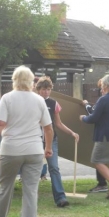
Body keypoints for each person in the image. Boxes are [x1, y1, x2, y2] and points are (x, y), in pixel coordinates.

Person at [0, 65, 53, 217]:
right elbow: (48, 127)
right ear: (32, 81)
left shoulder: (7, 98)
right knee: (31, 191)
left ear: (14, 80)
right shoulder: (39, 100)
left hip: (11, 150)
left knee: (5, 188)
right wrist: (48, 147)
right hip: (35, 150)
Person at [36, 76, 79, 206]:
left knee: (54, 168)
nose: (46, 92)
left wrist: (72, 132)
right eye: (43, 89)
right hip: (36, 140)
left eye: (48, 89)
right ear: (38, 90)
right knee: (34, 169)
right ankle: (32, 198)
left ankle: (60, 198)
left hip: (51, 140)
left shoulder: (53, 104)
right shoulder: (34, 102)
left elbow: (58, 123)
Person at [82, 78, 109, 193]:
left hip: (104, 134)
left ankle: (106, 183)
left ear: (106, 87)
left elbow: (93, 115)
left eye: (101, 87)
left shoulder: (103, 100)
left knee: (97, 159)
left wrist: (86, 106)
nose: (101, 90)